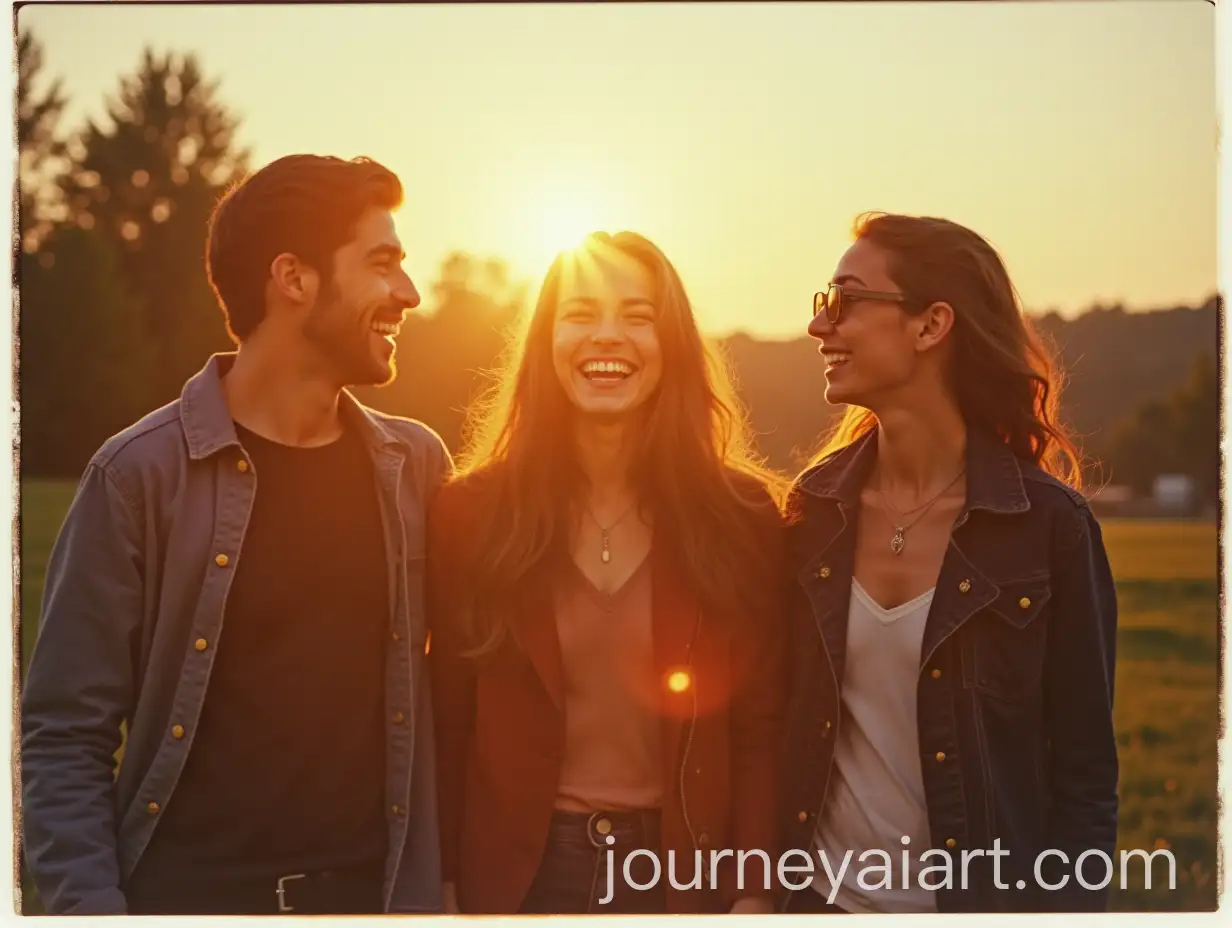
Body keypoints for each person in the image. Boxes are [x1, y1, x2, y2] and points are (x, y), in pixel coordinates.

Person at [21, 154, 451, 915]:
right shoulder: (136, 476)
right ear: (293, 277)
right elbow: (63, 735)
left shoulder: (416, 468)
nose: (409, 293)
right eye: (382, 263)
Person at [427, 231, 789, 914]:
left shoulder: (740, 516)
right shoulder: (470, 514)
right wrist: (443, 883)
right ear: (546, 340)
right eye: (580, 314)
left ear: (671, 344)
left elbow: (759, 728)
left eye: (637, 317)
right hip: (514, 884)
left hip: (682, 879)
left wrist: (754, 890)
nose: (607, 336)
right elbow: (448, 719)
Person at [779, 213, 1118, 914]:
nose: (819, 326)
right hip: (817, 905)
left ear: (931, 325)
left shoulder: (1050, 528)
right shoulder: (812, 512)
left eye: (845, 301)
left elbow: (1084, 776)